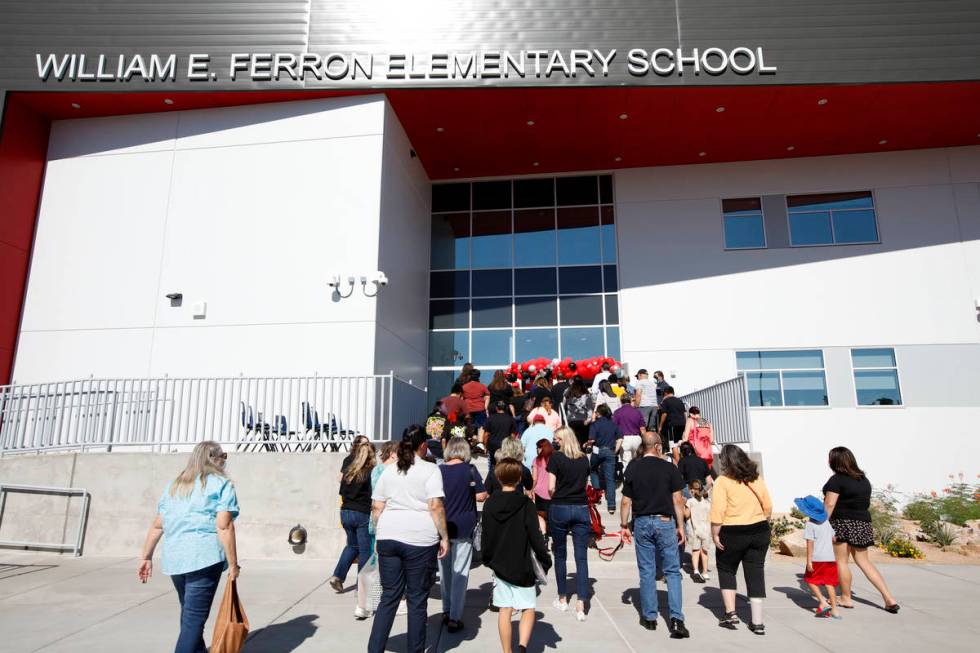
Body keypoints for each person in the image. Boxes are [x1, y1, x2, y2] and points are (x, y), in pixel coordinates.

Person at [137, 441, 240, 653]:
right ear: (216, 458)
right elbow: (224, 525)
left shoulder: (175, 485)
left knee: (189, 615)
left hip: (175, 560)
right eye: (224, 456)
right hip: (204, 558)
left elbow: (158, 524)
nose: (225, 461)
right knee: (193, 620)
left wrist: (146, 557)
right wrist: (233, 564)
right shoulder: (221, 484)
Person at [368, 428, 449, 653]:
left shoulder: (389, 470)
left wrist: (378, 534)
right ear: (423, 445)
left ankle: (374, 649)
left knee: (389, 596)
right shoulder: (430, 470)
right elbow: (435, 506)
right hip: (419, 540)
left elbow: (377, 507)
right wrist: (444, 536)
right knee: (416, 599)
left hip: (389, 535)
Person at [620, 438, 689, 638]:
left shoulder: (633, 468)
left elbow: (625, 501)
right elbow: (677, 499)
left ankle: (650, 617)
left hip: (642, 521)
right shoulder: (669, 469)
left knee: (647, 570)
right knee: (673, 571)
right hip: (665, 521)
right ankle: (676, 619)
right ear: (658, 446)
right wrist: (681, 525)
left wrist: (624, 525)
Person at [482, 458, 553, 653]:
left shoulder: (489, 504)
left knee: (505, 609)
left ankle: (507, 651)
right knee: (528, 607)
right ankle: (522, 646)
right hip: (522, 563)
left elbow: (486, 535)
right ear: (520, 478)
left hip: (499, 562)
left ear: (497, 477)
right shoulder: (525, 504)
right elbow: (535, 535)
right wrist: (545, 559)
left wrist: (488, 558)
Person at [822, 446, 899, 613]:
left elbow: (829, 504)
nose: (828, 461)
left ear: (836, 461)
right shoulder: (863, 479)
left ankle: (846, 597)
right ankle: (888, 598)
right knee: (864, 561)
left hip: (841, 523)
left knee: (841, 561)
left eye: (830, 458)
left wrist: (822, 524)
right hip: (862, 523)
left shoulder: (836, 480)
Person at [710, 444, 772, 635]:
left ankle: (731, 613)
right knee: (755, 572)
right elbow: (768, 506)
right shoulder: (756, 478)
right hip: (759, 529)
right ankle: (758, 622)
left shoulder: (722, 481)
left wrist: (715, 533)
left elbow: (718, 511)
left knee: (726, 568)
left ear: (725, 462)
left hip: (733, 530)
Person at [439, 437, 488, 632]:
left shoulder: (439, 470)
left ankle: (446, 609)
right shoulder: (470, 470)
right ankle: (454, 617)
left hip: (442, 526)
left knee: (445, 572)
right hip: (464, 526)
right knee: (460, 572)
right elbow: (481, 495)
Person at [547, 426, 592, 621]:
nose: (555, 441)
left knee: (560, 554)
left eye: (557, 438)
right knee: (581, 558)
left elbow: (550, 487)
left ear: (563, 439)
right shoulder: (583, 459)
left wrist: (555, 494)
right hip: (580, 507)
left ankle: (562, 597)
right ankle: (581, 603)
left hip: (560, 506)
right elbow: (586, 484)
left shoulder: (556, 458)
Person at [329, 440, 377, 593]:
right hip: (361, 513)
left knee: (352, 546)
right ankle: (362, 588)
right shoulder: (370, 471)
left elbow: (341, 488)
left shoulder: (349, 467)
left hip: (346, 511)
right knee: (364, 551)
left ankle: (337, 576)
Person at [794, 495, 841, 619]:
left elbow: (810, 544)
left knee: (810, 580)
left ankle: (823, 602)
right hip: (830, 558)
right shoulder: (826, 522)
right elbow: (834, 538)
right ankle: (835, 610)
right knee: (829, 583)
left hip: (817, 558)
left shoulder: (810, 524)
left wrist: (809, 561)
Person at [588, 403, 622, 514]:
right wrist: (615, 451)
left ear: (599, 413)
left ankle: (597, 493)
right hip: (610, 451)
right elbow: (620, 439)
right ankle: (611, 506)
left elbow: (592, 440)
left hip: (598, 450)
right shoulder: (613, 425)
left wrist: (586, 444)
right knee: (610, 479)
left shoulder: (595, 424)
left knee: (593, 470)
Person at [684, 479, 712, 583]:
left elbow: (686, 515)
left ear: (691, 490)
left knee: (695, 551)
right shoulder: (707, 502)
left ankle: (696, 570)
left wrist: (683, 505)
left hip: (694, 530)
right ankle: (705, 572)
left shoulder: (690, 501)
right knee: (704, 551)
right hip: (705, 529)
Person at [484, 400, 517, 474]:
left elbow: (486, 435)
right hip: (505, 446)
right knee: (505, 466)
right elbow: (513, 435)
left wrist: (485, 446)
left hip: (492, 446)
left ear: (496, 408)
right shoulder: (511, 419)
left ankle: (492, 480)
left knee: (492, 466)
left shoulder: (490, 418)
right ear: (505, 408)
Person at [612, 395, 646, 466]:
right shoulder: (637, 412)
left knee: (626, 463)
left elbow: (614, 428)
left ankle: (627, 477)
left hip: (624, 439)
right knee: (637, 462)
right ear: (630, 401)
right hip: (637, 438)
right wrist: (645, 441)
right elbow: (642, 428)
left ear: (621, 401)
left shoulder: (617, 412)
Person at [531, 438, 554, 537]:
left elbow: (534, 478)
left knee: (540, 515)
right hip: (552, 491)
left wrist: (530, 489)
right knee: (552, 514)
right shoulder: (555, 458)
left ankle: (544, 533)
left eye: (538, 448)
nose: (537, 450)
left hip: (539, 492)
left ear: (542, 448)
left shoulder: (537, 460)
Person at [561, 377, 594, 446]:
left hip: (571, 420)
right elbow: (590, 408)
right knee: (583, 442)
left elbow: (563, 406)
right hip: (583, 420)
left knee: (573, 441)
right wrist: (588, 420)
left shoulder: (567, 392)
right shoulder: (586, 393)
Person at [657, 386, 686, 459]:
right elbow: (684, 413)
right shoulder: (679, 400)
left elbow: (664, 414)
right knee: (681, 442)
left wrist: (660, 426)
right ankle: (683, 459)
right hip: (682, 424)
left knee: (674, 445)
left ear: (666, 393)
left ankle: (678, 463)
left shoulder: (666, 401)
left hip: (673, 424)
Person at [682, 406, 714, 472]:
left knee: (697, 475)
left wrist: (682, 445)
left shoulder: (690, 421)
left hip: (696, 452)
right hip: (708, 453)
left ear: (690, 414)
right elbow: (711, 440)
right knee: (707, 473)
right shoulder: (707, 422)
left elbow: (685, 437)